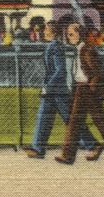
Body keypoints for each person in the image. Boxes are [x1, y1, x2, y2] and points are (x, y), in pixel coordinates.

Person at [56, 23, 104, 165]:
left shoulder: (87, 50)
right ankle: (68, 156)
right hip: (80, 90)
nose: (68, 37)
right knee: (74, 122)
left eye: (71, 34)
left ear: (79, 34)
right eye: (67, 34)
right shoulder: (79, 50)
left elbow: (97, 73)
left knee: (99, 121)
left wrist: (92, 88)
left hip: (89, 91)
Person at [25, 21, 98, 159]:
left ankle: (92, 144)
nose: (44, 32)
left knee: (70, 120)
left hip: (58, 92)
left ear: (52, 32)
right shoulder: (53, 46)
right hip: (52, 91)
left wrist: (48, 86)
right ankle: (38, 148)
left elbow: (60, 71)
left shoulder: (55, 47)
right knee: (43, 117)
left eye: (46, 29)